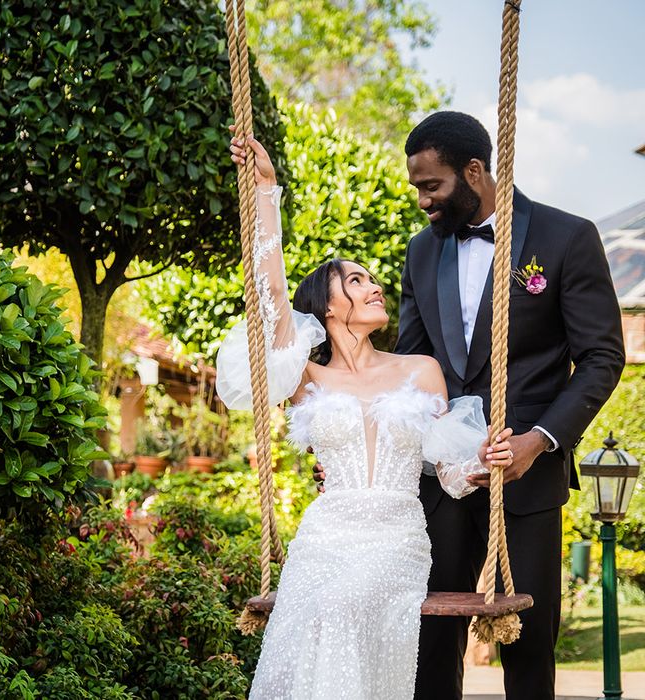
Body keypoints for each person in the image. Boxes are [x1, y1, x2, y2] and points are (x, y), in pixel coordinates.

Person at [217, 127, 514, 699]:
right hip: (326, 535)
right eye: (356, 281)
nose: (375, 286)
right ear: (327, 307)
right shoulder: (307, 377)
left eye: (373, 278)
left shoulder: (420, 369)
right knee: (315, 610)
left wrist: (479, 464)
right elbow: (270, 292)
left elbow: (450, 476)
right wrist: (265, 191)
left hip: (396, 536)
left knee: (342, 606)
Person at [394, 111, 624, 700]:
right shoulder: (421, 252)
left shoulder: (565, 237)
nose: (423, 201)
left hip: (526, 483)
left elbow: (601, 357)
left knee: (526, 647)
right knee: (431, 645)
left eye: (432, 186)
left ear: (475, 171)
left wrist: (539, 439)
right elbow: (411, 366)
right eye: (417, 187)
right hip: (440, 484)